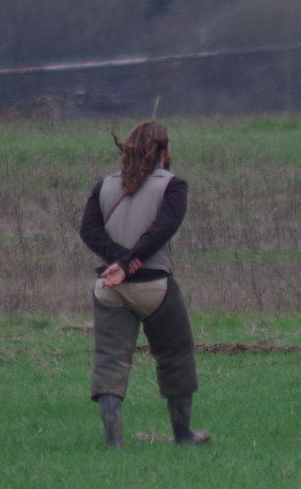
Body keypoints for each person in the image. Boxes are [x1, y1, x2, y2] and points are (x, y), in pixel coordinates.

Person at [78, 121, 210, 448]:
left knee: (110, 361)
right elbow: (162, 229)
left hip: (109, 289)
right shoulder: (174, 186)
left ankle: (114, 442)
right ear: (163, 151)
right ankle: (183, 434)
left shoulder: (103, 187)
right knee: (176, 355)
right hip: (155, 287)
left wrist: (119, 262)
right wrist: (130, 262)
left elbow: (89, 231)